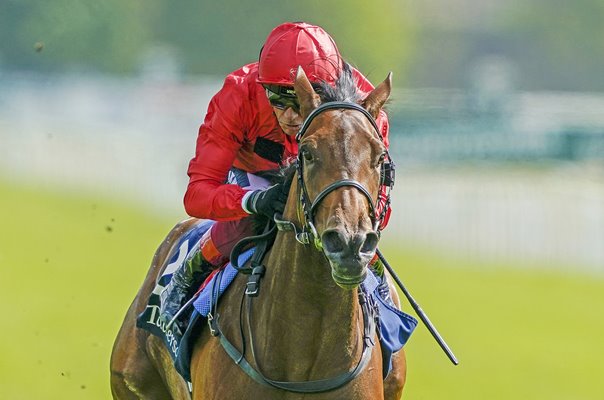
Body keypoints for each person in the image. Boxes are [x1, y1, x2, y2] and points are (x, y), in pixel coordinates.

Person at [159, 21, 391, 325]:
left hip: (324, 180)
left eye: (301, 101)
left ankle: (386, 323)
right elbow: (197, 195)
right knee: (241, 229)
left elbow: (381, 198)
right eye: (278, 101)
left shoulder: (364, 110)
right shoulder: (237, 95)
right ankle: (186, 279)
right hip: (255, 176)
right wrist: (253, 201)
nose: (291, 116)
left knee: (360, 242)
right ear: (262, 86)